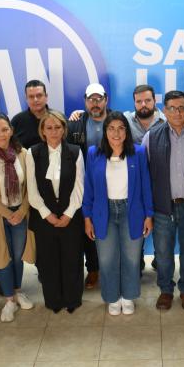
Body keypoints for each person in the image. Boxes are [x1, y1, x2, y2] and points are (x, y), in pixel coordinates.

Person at [142, 90, 184, 311]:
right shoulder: (151, 137)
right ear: (164, 110)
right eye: (172, 108)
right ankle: (165, 290)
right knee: (163, 253)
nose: (177, 112)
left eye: (181, 108)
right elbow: (145, 175)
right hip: (163, 207)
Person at [83, 112, 153, 316]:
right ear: (105, 131)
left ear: (126, 131)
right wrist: (87, 218)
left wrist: (149, 215)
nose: (116, 133)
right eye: (111, 128)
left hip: (132, 211)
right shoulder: (94, 153)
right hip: (103, 212)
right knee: (107, 260)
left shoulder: (138, 153)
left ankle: (128, 296)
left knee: (131, 259)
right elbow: (88, 187)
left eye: (121, 128)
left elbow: (146, 185)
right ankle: (112, 297)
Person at [0, 113, 35, 323]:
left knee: (17, 256)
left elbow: (30, 187)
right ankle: (9, 300)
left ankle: (18, 291)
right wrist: (7, 213)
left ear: (11, 130)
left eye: (4, 129)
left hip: (20, 214)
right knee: (3, 258)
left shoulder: (23, 154)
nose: (1, 134)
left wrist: (21, 211)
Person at [26, 112, 86, 313]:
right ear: (42, 131)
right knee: (48, 261)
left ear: (64, 129)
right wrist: (47, 214)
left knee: (72, 259)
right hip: (44, 218)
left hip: (71, 217)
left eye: (58, 127)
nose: (53, 132)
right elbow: (32, 190)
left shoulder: (75, 152)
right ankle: (54, 301)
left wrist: (68, 214)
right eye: (49, 128)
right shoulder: (33, 153)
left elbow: (79, 187)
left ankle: (72, 300)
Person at [67, 83, 122, 289]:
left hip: (115, 185)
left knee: (115, 228)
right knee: (89, 229)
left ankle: (116, 269)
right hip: (87, 186)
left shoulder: (117, 120)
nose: (95, 103)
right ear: (85, 101)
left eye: (99, 99)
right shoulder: (76, 124)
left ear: (106, 99)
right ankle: (93, 270)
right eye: (91, 99)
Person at [11, 80, 63, 149]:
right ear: (26, 99)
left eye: (39, 95)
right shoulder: (17, 121)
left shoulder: (59, 119)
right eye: (31, 96)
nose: (35, 99)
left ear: (46, 96)